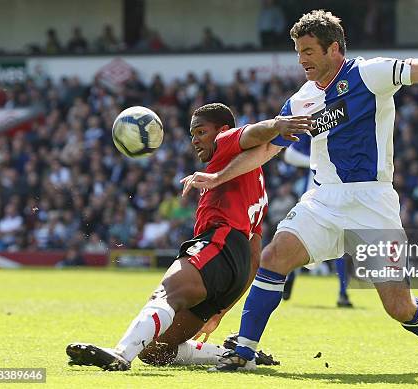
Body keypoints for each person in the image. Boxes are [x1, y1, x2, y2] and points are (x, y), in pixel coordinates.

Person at [182, 10, 418, 372]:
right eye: (298, 52)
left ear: (334, 49)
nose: (302, 60)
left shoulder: (369, 74)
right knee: (274, 257)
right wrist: (218, 176)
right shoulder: (300, 101)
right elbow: (267, 150)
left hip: (372, 202)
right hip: (324, 199)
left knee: (398, 306)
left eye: (309, 51)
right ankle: (244, 351)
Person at [65, 103, 312, 371]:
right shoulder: (255, 183)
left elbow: (251, 132)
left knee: (166, 293)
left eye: (201, 132)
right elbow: (254, 257)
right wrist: (221, 309)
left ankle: (121, 355)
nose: (195, 140)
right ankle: (229, 354)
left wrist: (277, 125)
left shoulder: (226, 143)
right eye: (192, 134)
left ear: (223, 131)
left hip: (219, 244)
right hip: (234, 268)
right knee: (155, 352)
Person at [282, 137, 353, 307]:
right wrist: (316, 162)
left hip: (340, 197)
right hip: (313, 198)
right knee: (299, 242)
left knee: (342, 244)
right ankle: (289, 277)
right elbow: (290, 155)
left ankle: (343, 294)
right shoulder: (319, 124)